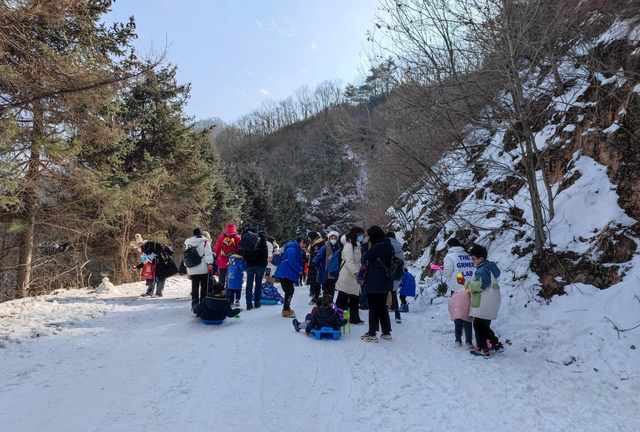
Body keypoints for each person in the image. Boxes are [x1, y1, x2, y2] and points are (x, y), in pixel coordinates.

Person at [465, 245, 504, 357]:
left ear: (480, 259)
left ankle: (482, 349)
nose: (473, 261)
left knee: (478, 325)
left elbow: (481, 285)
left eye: (473, 259)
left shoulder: (482, 269)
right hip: (491, 301)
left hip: (484, 301)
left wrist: (468, 284)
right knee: (484, 326)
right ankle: (495, 344)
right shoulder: (490, 267)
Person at [360, 226, 395, 343]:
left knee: (373, 308)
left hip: (375, 281)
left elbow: (365, 256)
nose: (368, 238)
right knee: (382, 307)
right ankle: (386, 332)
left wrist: (365, 245)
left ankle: (372, 333)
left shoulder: (378, 246)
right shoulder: (388, 245)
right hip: (385, 281)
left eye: (369, 235)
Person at [335, 227, 365, 325]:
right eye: (360, 234)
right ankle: (339, 317)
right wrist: (356, 273)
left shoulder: (357, 245)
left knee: (354, 297)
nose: (361, 236)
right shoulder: (348, 246)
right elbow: (349, 261)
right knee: (343, 296)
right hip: (348, 275)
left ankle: (354, 318)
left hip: (354, 275)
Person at [274, 237, 306, 318]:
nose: (304, 245)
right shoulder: (293, 249)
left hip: (286, 273)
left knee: (289, 291)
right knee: (289, 291)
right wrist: (299, 270)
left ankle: (286, 308)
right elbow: (292, 261)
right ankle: (286, 309)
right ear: (298, 242)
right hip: (285, 273)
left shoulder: (294, 249)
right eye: (303, 243)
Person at [239, 222, 268, 310]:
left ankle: (248, 303)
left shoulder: (245, 235)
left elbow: (242, 249)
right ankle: (257, 302)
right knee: (258, 283)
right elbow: (264, 249)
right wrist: (264, 261)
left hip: (249, 263)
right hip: (259, 263)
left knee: (249, 283)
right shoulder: (260, 235)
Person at [184, 228, 215, 309]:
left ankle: (194, 303)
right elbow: (208, 254)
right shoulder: (205, 242)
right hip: (203, 268)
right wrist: (210, 263)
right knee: (204, 286)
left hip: (192, 268)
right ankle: (203, 302)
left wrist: (186, 266)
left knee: (194, 286)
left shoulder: (188, 242)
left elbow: (186, 255)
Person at [310, 230, 341, 300]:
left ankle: (329, 304)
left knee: (332, 290)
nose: (333, 239)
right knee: (326, 290)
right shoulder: (325, 247)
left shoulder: (338, 248)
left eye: (335, 238)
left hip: (334, 272)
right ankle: (325, 305)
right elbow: (319, 256)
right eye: (331, 237)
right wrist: (314, 264)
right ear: (329, 238)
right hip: (325, 272)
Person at [385, 232, 405, 324]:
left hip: (386, 273)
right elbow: (402, 263)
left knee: (384, 294)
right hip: (396, 273)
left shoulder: (385, 246)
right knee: (394, 294)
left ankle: (384, 316)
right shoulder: (400, 248)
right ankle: (397, 315)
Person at [214, 223, 241, 289]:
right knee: (230, 280)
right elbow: (239, 250)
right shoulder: (237, 237)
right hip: (232, 262)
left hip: (222, 261)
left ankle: (220, 293)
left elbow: (217, 249)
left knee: (221, 279)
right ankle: (228, 294)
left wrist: (216, 258)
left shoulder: (221, 237)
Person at [306, 231, 324, 303]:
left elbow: (317, 254)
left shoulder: (317, 244)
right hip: (316, 264)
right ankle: (315, 295)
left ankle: (316, 297)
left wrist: (310, 252)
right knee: (315, 281)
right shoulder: (318, 242)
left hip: (316, 265)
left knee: (316, 282)